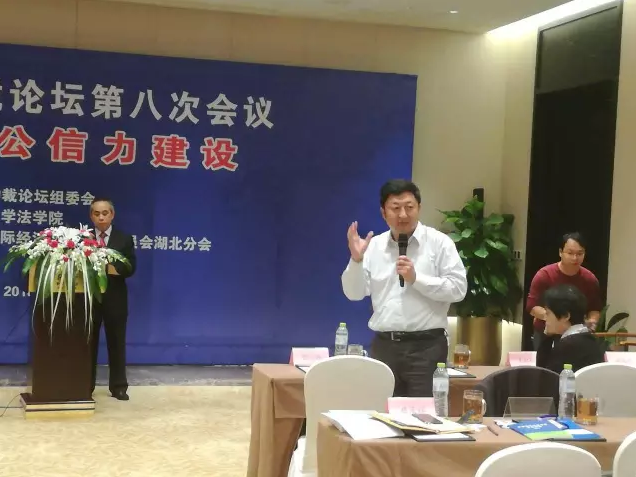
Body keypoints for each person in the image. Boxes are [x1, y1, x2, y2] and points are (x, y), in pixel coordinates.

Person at [341, 179, 467, 397]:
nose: (403, 215)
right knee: (381, 413)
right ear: (383, 213)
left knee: (423, 414)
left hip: (427, 348)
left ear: (419, 208)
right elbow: (354, 293)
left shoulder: (439, 243)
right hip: (385, 348)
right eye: (395, 208)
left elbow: (458, 289)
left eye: (409, 207)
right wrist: (356, 260)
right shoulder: (374, 246)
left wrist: (416, 279)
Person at [89, 198, 136, 401]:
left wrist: (112, 268)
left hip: (115, 299)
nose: (101, 217)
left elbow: (131, 267)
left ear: (112, 215)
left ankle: (118, 387)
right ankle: (85, 385)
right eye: (96, 213)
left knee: (116, 343)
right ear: (91, 216)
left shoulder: (123, 238)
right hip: (89, 299)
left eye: (105, 213)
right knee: (87, 345)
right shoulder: (83, 238)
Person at [526, 232, 602, 351]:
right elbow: (532, 307)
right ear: (560, 252)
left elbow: (594, 308)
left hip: (577, 336)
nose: (575, 258)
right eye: (570, 253)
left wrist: (592, 322)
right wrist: (557, 320)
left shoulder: (590, 279)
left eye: (579, 254)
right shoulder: (544, 275)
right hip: (546, 334)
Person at [536, 284, 605, 374]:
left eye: (548, 313)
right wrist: (548, 335)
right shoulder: (590, 340)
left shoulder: (566, 346)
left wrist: (546, 336)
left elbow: (543, 375)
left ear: (565, 316)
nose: (545, 318)